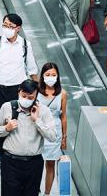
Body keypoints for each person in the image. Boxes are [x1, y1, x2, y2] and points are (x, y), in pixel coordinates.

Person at [0, 14, 38, 164]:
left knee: (15, 119)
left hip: (17, 89)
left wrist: (37, 90)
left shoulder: (25, 45)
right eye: (5, 25)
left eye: (11, 26)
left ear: (18, 29)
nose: (7, 29)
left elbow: (32, 69)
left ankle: (12, 147)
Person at [0, 79, 57, 196]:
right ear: (19, 92)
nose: (26, 99)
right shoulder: (7, 107)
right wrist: (6, 128)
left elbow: (52, 137)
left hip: (33, 164)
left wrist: (37, 121)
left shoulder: (43, 111)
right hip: (10, 162)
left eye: (30, 97)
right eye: (24, 96)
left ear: (36, 96)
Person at [37, 63, 68, 196]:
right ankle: (34, 189)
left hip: (54, 133)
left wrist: (64, 137)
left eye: (53, 75)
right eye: (48, 75)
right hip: (38, 130)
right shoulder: (37, 92)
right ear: (42, 76)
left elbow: (64, 117)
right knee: (36, 164)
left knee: (50, 164)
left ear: (58, 76)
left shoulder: (62, 94)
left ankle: (47, 193)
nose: (51, 77)